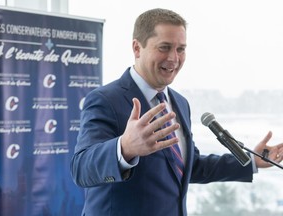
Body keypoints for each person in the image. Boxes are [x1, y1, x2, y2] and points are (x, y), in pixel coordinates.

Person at [70, 8, 283, 216]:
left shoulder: (180, 103)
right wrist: (124, 148)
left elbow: (189, 166)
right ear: (137, 48)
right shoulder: (105, 100)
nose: (174, 58)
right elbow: (81, 170)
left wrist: (251, 161)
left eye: (181, 49)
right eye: (164, 47)